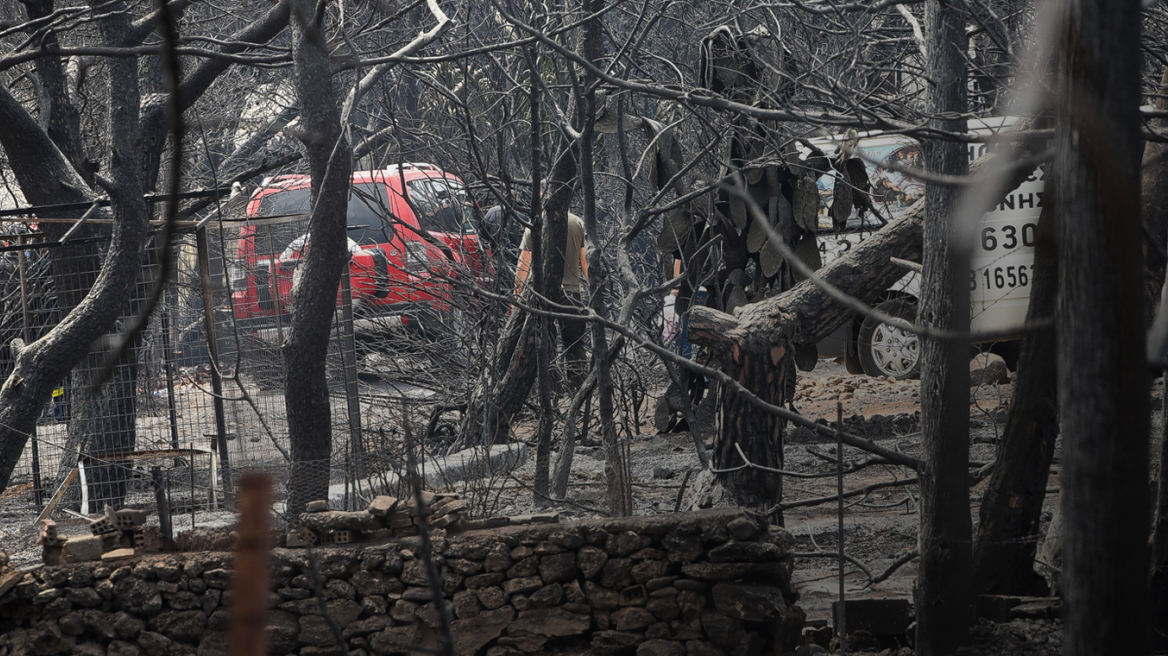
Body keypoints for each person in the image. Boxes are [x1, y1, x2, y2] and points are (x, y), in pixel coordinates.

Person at [514, 211, 589, 388]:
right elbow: (585, 261)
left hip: (542, 294)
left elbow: (524, 263)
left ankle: (552, 393)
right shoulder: (577, 222)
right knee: (575, 345)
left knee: (546, 345)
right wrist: (594, 288)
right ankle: (578, 391)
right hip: (571, 295)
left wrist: (517, 294)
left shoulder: (535, 223)